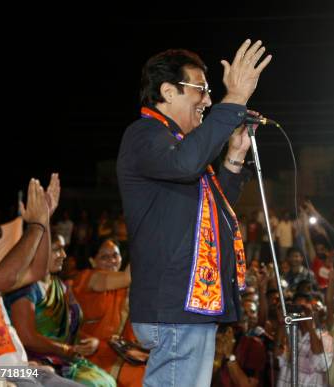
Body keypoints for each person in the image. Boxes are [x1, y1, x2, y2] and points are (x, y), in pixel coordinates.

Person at [116, 39, 271, 387]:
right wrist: (234, 100)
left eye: (211, 91)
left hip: (188, 307)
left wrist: (234, 155)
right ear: (168, 92)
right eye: (200, 89)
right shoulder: (144, 135)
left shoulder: (177, 150)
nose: (208, 100)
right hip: (174, 305)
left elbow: (215, 212)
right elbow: (187, 164)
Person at [0, 175, 82, 386]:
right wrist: (35, 225)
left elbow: (36, 270)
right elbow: (7, 275)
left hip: (16, 371)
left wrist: (45, 220)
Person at [4, 233, 116, 387]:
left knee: (107, 381)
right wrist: (64, 349)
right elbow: (27, 338)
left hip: (64, 358)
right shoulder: (24, 289)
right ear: (37, 252)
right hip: (36, 360)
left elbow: (67, 328)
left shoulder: (60, 286)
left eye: (63, 249)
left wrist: (88, 341)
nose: (63, 255)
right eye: (56, 250)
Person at [72, 239, 145, 387]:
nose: (112, 261)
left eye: (115, 255)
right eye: (104, 257)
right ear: (92, 261)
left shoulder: (129, 288)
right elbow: (127, 277)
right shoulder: (86, 278)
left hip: (122, 355)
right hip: (90, 354)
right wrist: (147, 236)